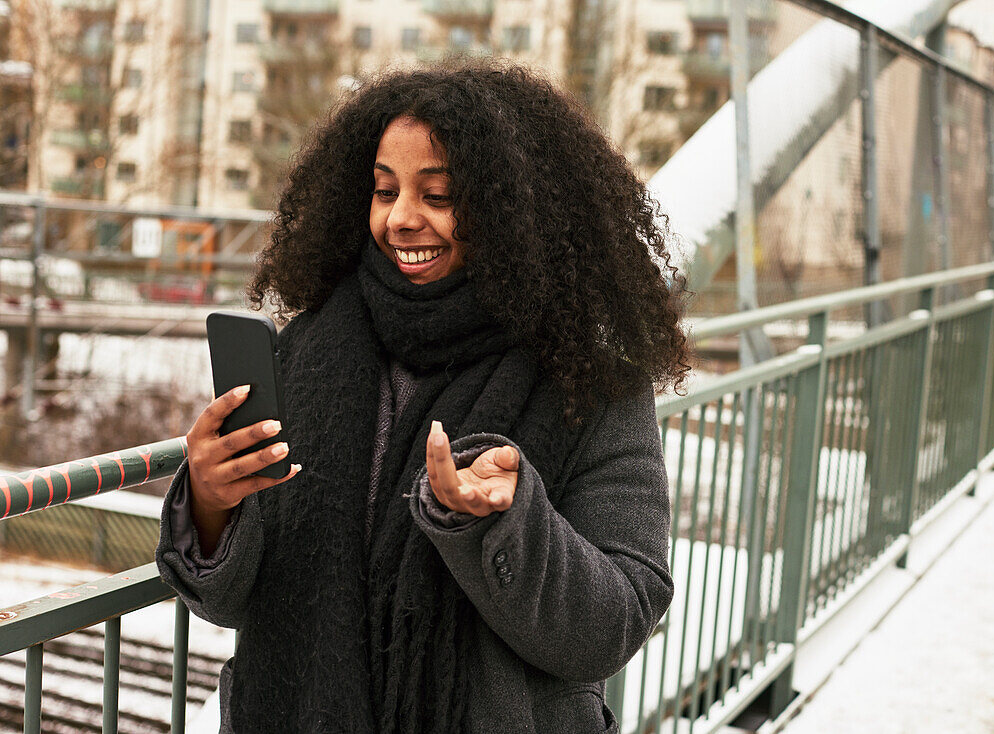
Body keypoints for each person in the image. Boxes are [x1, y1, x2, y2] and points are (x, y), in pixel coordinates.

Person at [156, 62, 689, 733]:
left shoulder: (590, 379)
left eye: (438, 196)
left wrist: (506, 521)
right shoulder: (310, 349)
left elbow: (614, 623)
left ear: (512, 211)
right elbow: (230, 605)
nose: (401, 219)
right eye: (384, 191)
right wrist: (210, 504)